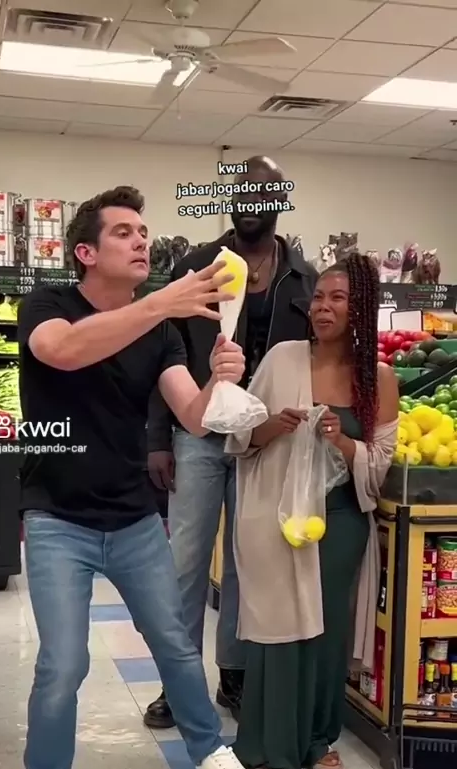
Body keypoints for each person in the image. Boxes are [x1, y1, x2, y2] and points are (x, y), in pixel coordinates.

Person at [17, 186, 263, 769]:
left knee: (177, 645)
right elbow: (65, 351)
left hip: (133, 519)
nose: (141, 240)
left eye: (143, 231)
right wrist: (161, 300)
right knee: (63, 663)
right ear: (86, 252)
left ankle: (208, 749)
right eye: (123, 232)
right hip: (57, 518)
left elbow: (194, 418)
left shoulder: (161, 331)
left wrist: (221, 380)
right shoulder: (47, 304)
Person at [145, 156, 318, 729]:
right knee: (185, 563)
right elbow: (162, 352)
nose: (249, 202)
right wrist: (158, 438)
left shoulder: (304, 277)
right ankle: (177, 682)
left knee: (250, 562)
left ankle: (236, 675)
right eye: (240, 192)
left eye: (262, 193)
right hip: (198, 432)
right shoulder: (197, 266)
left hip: (264, 440)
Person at [225, 253, 399, 769]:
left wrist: (342, 441)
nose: (323, 307)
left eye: (338, 298)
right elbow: (239, 436)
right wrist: (273, 426)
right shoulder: (282, 359)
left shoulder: (379, 379)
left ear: (360, 307)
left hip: (340, 523)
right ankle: (270, 745)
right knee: (279, 631)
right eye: (319, 297)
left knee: (324, 636)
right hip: (281, 518)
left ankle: (318, 737)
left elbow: (379, 464)